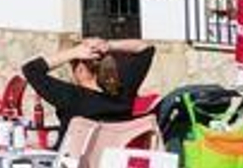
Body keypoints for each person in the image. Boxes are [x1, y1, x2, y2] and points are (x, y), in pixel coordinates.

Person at [22, 38, 156, 143]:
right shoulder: (125, 88)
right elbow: (146, 48)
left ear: (79, 69)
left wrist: (73, 52)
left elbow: (30, 69)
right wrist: (109, 45)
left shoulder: (71, 97)